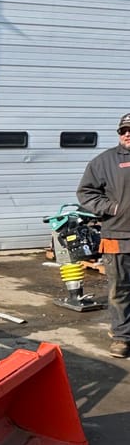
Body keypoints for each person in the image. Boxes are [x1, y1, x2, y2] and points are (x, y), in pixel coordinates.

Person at [77, 113, 130, 358]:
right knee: (120, 289)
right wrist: (112, 208)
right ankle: (122, 337)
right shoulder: (104, 161)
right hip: (117, 236)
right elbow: (86, 192)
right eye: (123, 131)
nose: (127, 134)